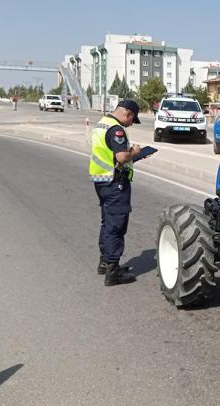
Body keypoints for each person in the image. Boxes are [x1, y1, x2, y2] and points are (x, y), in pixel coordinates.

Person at [89, 100, 143, 286]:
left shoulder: (101, 124)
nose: (130, 124)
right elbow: (121, 157)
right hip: (115, 182)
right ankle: (113, 271)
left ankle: (104, 262)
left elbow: (108, 154)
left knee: (107, 222)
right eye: (132, 120)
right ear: (128, 114)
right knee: (116, 226)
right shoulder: (116, 129)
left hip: (101, 179)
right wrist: (134, 152)